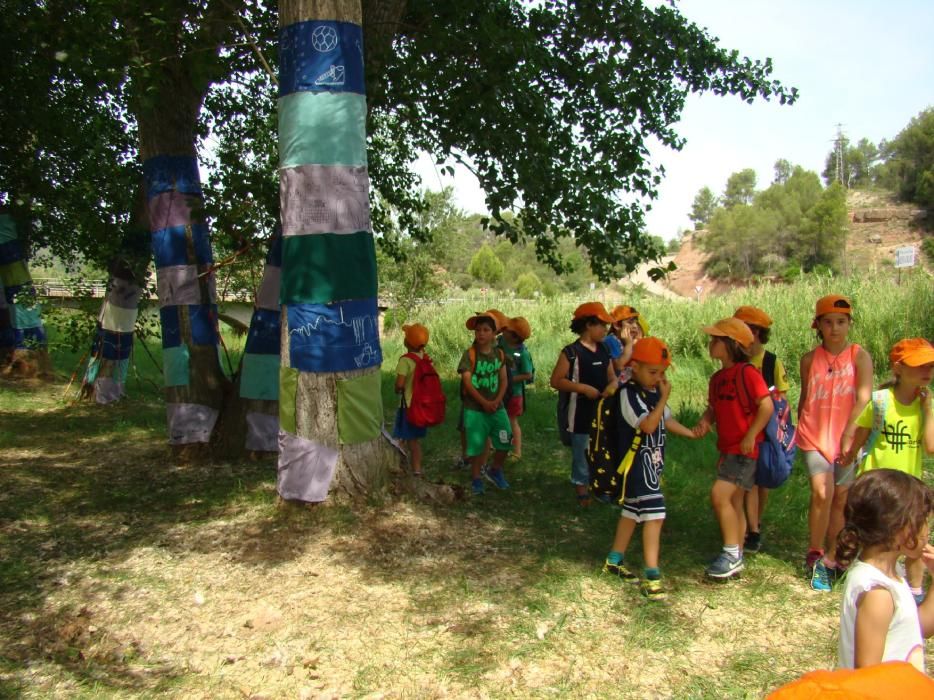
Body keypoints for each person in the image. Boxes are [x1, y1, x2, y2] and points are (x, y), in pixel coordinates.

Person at [836, 338, 934, 603]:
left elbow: (930, 446)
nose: (927, 371)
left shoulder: (926, 406)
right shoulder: (880, 401)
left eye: (930, 366)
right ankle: (873, 582)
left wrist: (928, 411)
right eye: (919, 365)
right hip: (879, 485)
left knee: (917, 538)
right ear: (898, 368)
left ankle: (914, 592)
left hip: (910, 486)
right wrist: (849, 456)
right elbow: (862, 436)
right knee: (877, 538)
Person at [602, 337, 698, 600]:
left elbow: (666, 419)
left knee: (632, 512)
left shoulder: (653, 393)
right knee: (655, 516)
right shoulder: (628, 395)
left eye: (663, 373)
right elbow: (648, 425)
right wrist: (664, 397)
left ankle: (614, 560)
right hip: (636, 467)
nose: (658, 378)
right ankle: (652, 576)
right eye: (653, 372)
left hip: (652, 464)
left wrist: (691, 432)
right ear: (635, 368)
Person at [797, 294, 873, 591]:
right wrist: (794, 431)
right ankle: (815, 555)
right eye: (828, 322)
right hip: (813, 434)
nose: (835, 329)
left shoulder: (859, 355)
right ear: (818, 325)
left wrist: (849, 436)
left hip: (848, 437)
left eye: (841, 322)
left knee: (841, 498)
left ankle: (834, 557)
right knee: (821, 492)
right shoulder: (809, 359)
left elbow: (864, 397)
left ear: (849, 324)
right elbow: (805, 398)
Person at [692, 318, 773, 579]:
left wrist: (751, 434)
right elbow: (714, 407)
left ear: (731, 345)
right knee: (734, 502)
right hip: (729, 450)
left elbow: (766, 406)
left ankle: (731, 553)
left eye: (716, 339)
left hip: (744, 451)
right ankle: (735, 553)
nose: (711, 343)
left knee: (720, 495)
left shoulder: (748, 373)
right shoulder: (717, 378)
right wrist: (706, 419)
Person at [836, 468, 934, 673]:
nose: (927, 530)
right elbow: (868, 674)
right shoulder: (877, 592)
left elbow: (918, 629)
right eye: (922, 520)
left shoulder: (891, 573)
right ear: (896, 527)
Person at [732, 305, 791, 554]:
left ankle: (755, 522)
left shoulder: (771, 362)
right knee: (747, 482)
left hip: (765, 431)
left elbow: (782, 397)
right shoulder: (735, 362)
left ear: (756, 333)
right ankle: (750, 530)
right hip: (741, 429)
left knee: (762, 481)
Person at [550, 302, 617, 506]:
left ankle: (601, 486)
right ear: (588, 325)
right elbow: (556, 380)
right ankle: (581, 488)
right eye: (601, 325)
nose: (605, 330)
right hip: (579, 412)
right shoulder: (571, 352)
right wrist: (583, 388)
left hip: (602, 411)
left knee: (603, 449)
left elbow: (612, 376)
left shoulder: (604, 349)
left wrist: (612, 386)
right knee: (582, 450)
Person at [458, 313, 513, 496]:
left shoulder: (500, 355)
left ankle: (495, 469)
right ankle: (476, 478)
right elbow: (467, 381)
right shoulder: (470, 354)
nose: (481, 334)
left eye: (486, 330)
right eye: (478, 330)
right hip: (475, 409)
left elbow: (504, 379)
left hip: (497, 408)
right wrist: (484, 403)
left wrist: (496, 401)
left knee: (505, 440)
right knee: (478, 446)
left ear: (494, 333)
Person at [393, 323, 431, 477]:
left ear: (407, 342)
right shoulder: (426, 359)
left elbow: (400, 384)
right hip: (422, 406)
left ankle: (404, 467)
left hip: (408, 406)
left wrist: (397, 389)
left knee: (405, 438)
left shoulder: (405, 361)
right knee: (415, 441)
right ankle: (416, 469)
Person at [499, 316, 534, 460]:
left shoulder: (523, 354)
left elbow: (527, 374)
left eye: (508, 329)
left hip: (514, 393)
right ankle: (500, 446)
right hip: (500, 390)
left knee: (511, 420)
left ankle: (517, 451)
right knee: (499, 419)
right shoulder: (501, 341)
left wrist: (509, 379)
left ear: (515, 337)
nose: (504, 330)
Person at [605, 305, 644, 379]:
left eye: (636, 323)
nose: (635, 326)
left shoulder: (630, 341)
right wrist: (629, 344)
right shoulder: (610, 341)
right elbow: (619, 365)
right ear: (616, 325)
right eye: (630, 322)